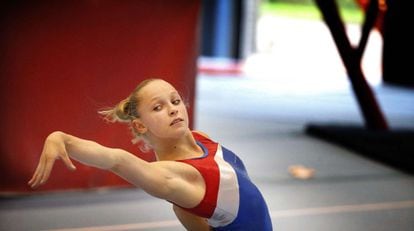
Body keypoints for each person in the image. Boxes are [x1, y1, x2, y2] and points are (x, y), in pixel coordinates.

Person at [28, 78, 273, 230]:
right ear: (140, 125)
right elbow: (116, 159)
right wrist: (63, 139)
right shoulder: (170, 178)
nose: (173, 110)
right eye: (158, 107)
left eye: (175, 101)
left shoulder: (201, 139)